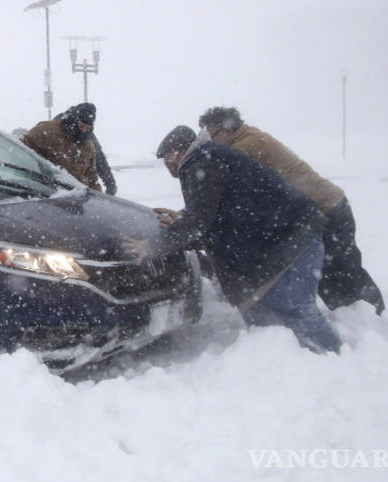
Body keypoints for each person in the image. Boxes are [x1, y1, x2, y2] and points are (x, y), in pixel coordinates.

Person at [125, 125, 342, 353]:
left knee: (296, 307)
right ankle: (288, 361)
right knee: (267, 313)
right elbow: (212, 211)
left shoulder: (200, 163)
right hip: (282, 237)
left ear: (177, 152)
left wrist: (154, 246)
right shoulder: (208, 158)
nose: (166, 164)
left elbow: (200, 223)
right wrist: (183, 219)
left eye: (166, 157)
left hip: (292, 237)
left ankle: (335, 357)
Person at [198, 107, 385, 314]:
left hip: (328, 209)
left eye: (211, 135)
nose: (210, 142)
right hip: (321, 210)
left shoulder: (249, 144)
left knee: (344, 272)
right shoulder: (249, 139)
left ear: (227, 130)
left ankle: (375, 317)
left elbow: (219, 183)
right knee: (331, 275)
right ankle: (360, 318)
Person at [21, 103, 102, 191]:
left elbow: (92, 178)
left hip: (77, 197)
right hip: (45, 195)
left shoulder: (88, 145)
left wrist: (100, 200)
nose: (84, 131)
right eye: (82, 126)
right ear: (73, 119)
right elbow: (21, 152)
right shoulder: (46, 130)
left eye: (87, 128)